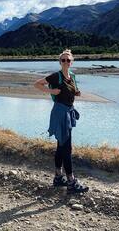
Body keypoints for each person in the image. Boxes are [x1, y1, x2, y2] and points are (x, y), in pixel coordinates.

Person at [34, 49, 89, 193]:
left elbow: (72, 91)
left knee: (61, 146)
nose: (66, 62)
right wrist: (52, 92)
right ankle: (71, 182)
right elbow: (37, 84)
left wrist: (76, 92)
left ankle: (58, 178)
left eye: (68, 60)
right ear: (60, 62)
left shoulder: (73, 76)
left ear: (72, 62)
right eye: (63, 60)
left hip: (69, 111)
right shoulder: (56, 76)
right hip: (60, 113)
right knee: (67, 148)